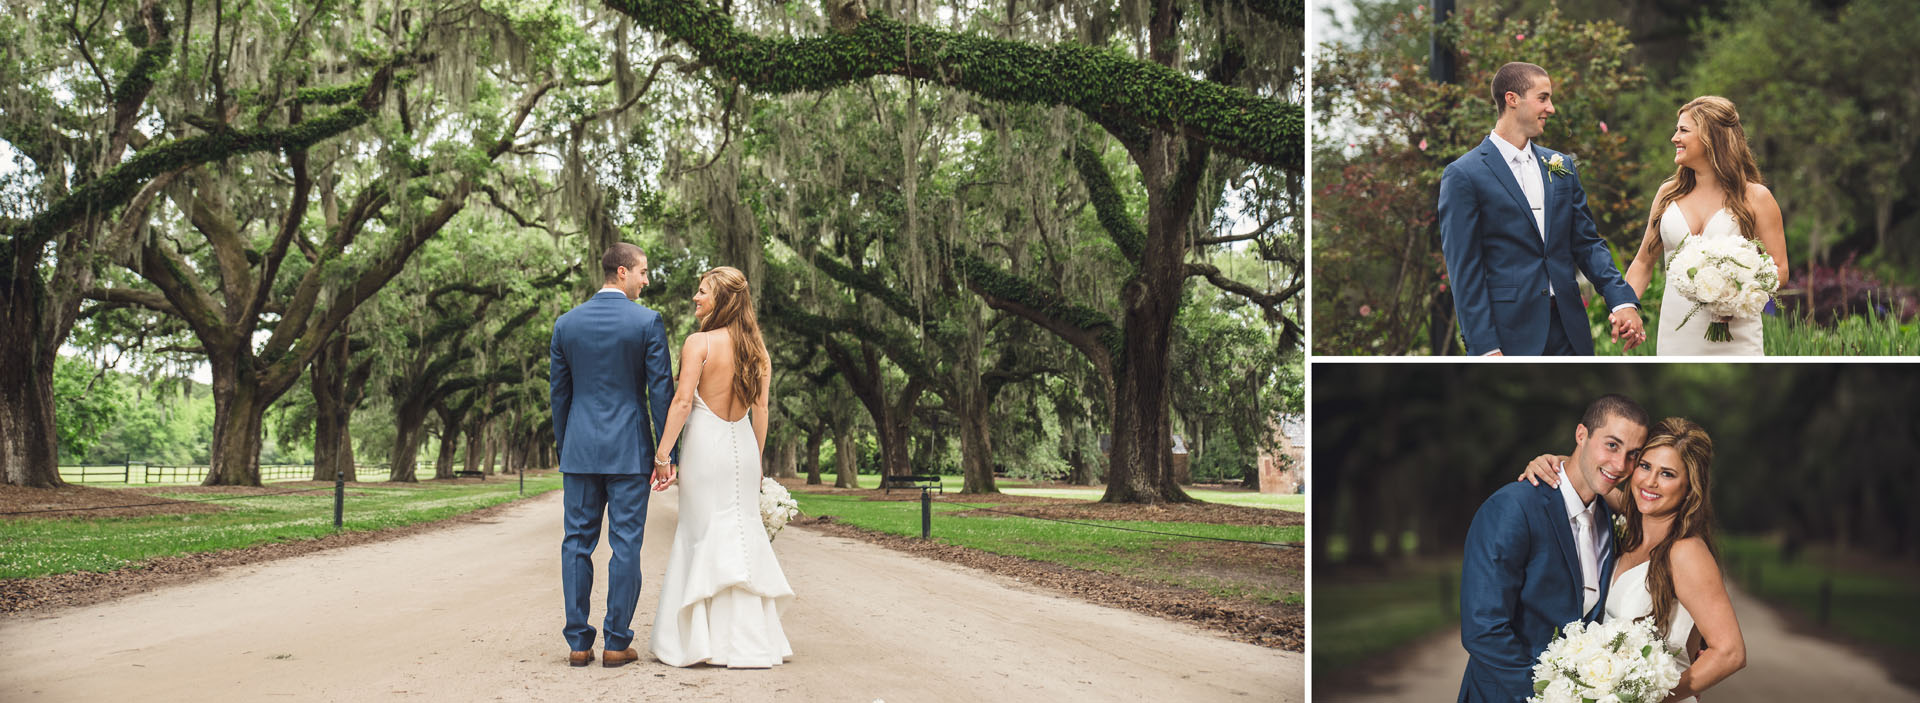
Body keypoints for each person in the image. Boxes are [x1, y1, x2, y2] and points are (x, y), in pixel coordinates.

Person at [1519, 418, 1748, 701]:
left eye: (1667, 474)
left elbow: (1730, 652)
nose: (1649, 482)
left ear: (1689, 487)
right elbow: (1586, 475)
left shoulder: (1685, 551)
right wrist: (1551, 464)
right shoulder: (1629, 523)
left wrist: (1651, 697)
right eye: (1645, 466)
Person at [1439, 62, 1645, 356]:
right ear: (1512, 99)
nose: (1552, 109)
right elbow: (1465, 270)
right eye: (1543, 98)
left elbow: (1586, 243)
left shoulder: (1561, 166)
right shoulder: (1464, 174)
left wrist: (1621, 301)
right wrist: (1484, 347)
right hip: (1509, 335)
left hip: (1569, 330)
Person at [1458, 394, 1649, 701]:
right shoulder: (1512, 508)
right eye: (1612, 445)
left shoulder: (1608, 515)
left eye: (1633, 455)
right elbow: (1483, 629)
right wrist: (1547, 696)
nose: (1620, 464)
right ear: (1581, 434)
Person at [649, 266, 794, 668]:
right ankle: (750, 640)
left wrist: (663, 456)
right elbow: (761, 410)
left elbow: (681, 403)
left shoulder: (699, 343)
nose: (696, 298)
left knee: (700, 533)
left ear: (723, 300)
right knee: (741, 534)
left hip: (704, 450)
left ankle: (702, 641)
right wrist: (758, 464)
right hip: (743, 447)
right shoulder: (758, 350)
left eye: (702, 292)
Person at [548, 243, 675, 668]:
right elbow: (661, 393)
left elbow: (559, 395)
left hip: (580, 450)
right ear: (622, 272)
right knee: (625, 547)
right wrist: (666, 452)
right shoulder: (647, 322)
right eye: (642, 272)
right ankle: (617, 642)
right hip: (629, 451)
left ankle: (579, 643)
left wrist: (567, 445)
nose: (646, 280)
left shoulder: (566, 324)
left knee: (576, 545)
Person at [1622, 96, 1788, 356]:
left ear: (1712, 137)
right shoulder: (1668, 194)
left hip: (1737, 338)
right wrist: (1625, 307)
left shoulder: (1756, 197)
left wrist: (1735, 295)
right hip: (1675, 333)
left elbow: (1779, 268)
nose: (1674, 138)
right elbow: (1643, 263)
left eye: (1683, 130)